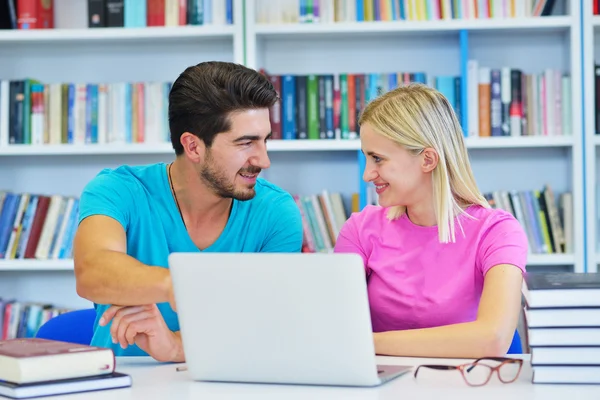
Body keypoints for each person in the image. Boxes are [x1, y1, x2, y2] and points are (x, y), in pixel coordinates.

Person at [73, 61, 304, 361]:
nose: (264, 160)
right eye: (246, 143)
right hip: (121, 382)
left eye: (264, 141)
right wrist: (180, 285)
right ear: (193, 147)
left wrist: (174, 345)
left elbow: (262, 325)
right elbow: (91, 271)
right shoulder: (118, 190)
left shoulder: (276, 212)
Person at [334, 83, 528, 359]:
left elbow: (492, 338)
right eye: (367, 158)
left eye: (378, 159)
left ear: (427, 159)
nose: (368, 174)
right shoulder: (360, 229)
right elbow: (335, 328)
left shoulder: (497, 232)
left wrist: (366, 343)